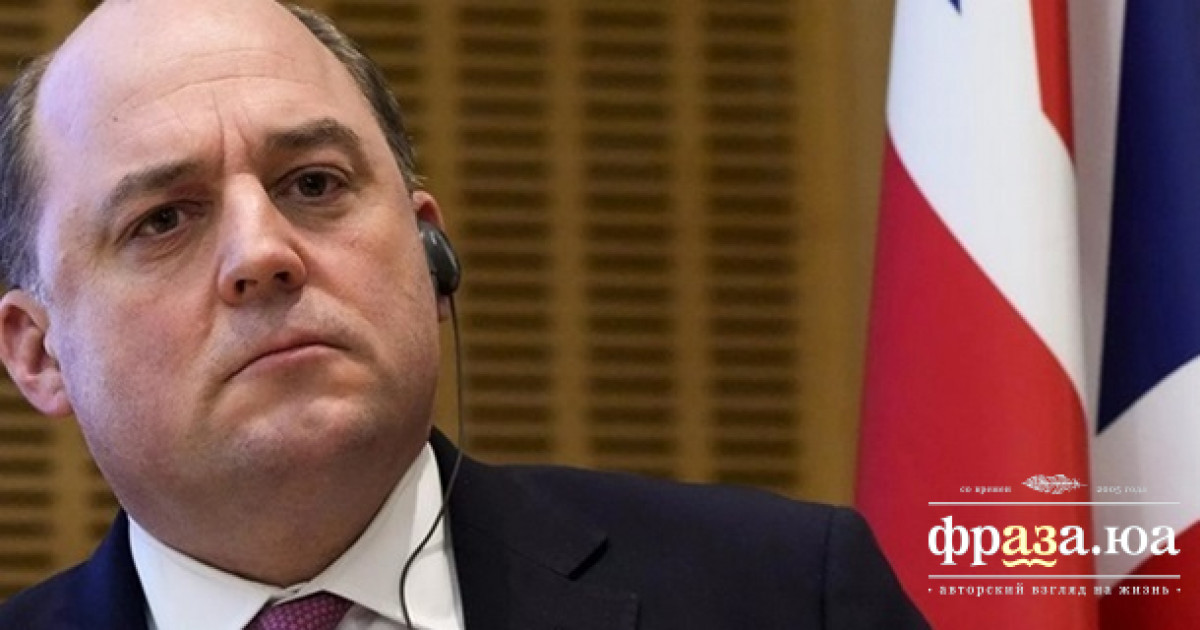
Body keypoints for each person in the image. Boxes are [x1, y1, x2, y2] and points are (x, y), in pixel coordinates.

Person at [0, 1, 928, 628]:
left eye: (314, 184)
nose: (263, 254)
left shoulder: (786, 594)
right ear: (38, 352)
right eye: (163, 220)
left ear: (428, 252)